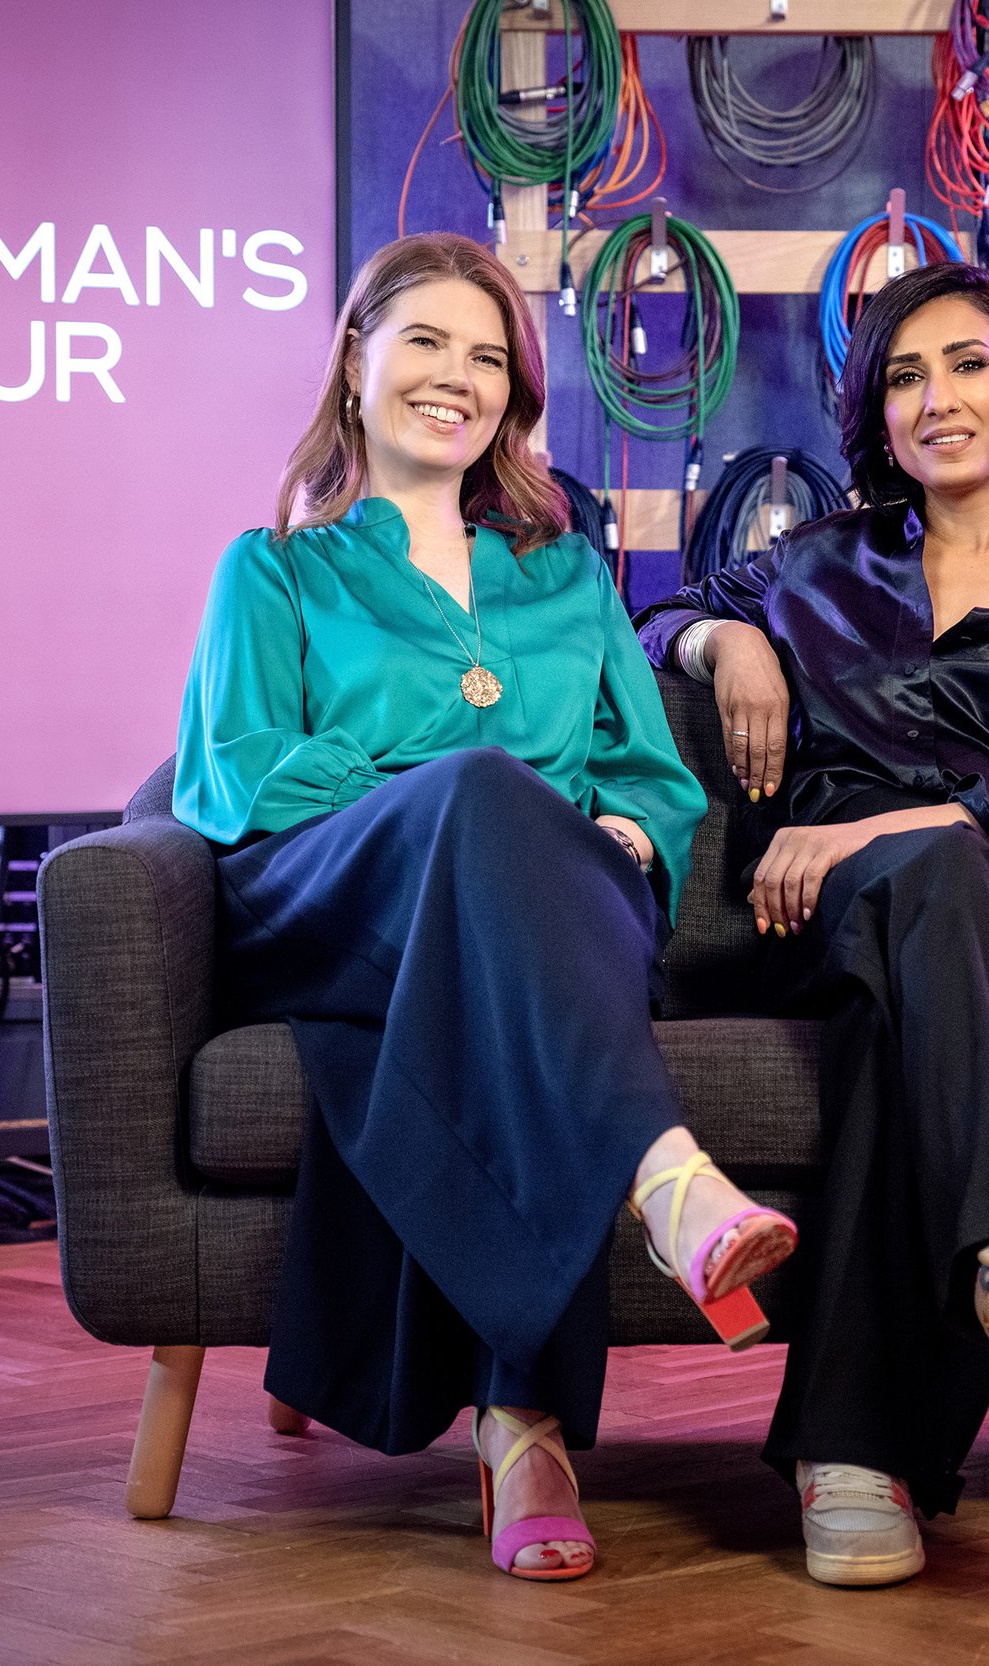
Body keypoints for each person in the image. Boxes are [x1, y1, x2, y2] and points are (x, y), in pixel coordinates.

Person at [175, 232, 795, 1583]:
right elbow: (234, 777)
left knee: (523, 903)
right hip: (334, 899)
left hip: (539, 920)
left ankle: (525, 1424)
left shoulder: (563, 575)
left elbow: (648, 784)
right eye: (426, 344)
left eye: (487, 355)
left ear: (514, 392)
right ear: (356, 360)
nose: (456, 378)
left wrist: (589, 836)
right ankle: (660, 1188)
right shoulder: (274, 571)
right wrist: (443, 792)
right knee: (483, 800)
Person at [635, 262, 989, 1587]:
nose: (937, 398)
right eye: (904, 375)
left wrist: (891, 826)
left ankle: (850, 1456)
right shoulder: (812, 569)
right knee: (911, 919)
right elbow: (656, 618)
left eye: (967, 365)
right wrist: (735, 647)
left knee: (917, 978)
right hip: (826, 914)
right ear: (875, 414)